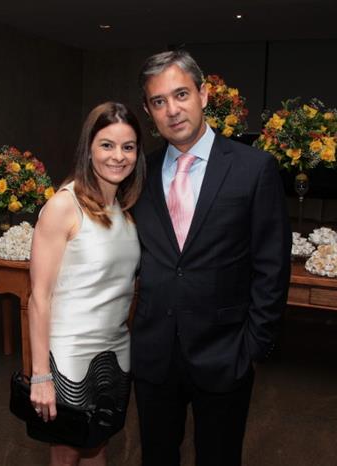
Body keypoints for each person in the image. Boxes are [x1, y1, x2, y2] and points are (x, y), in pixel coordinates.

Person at [131, 50, 291, 465]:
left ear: (203, 95)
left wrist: (253, 345)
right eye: (159, 101)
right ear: (149, 111)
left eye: (181, 94)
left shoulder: (254, 168)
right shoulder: (139, 173)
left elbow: (272, 265)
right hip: (154, 354)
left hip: (225, 352)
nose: (172, 110)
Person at [27, 101, 146, 466]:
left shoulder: (125, 210)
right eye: (107, 145)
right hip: (69, 356)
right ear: (88, 149)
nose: (118, 156)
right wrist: (40, 375)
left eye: (128, 147)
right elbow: (39, 296)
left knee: (98, 443)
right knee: (66, 452)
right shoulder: (64, 206)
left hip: (116, 352)